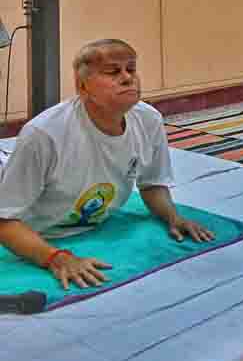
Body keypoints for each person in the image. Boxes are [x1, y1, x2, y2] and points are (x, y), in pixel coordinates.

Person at [0, 38, 213, 292]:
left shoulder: (148, 119)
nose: (127, 78)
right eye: (113, 72)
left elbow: (152, 184)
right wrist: (56, 258)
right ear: (83, 86)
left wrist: (173, 216)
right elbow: (4, 220)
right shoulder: (44, 134)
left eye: (131, 69)